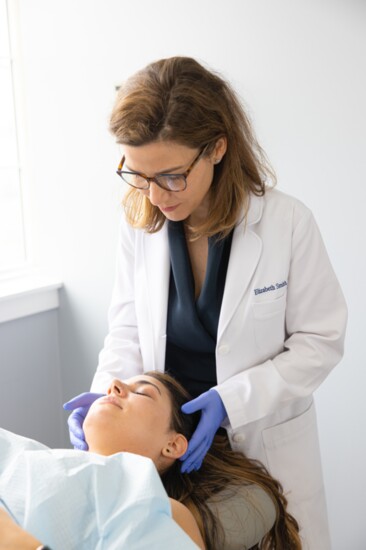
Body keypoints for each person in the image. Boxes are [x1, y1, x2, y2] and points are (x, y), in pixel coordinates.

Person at [65, 56, 347, 549]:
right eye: (138, 175)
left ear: (217, 147)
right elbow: (127, 330)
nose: (155, 196)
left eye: (172, 175)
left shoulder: (286, 224)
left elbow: (320, 342)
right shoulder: (140, 224)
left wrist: (229, 402)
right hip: (163, 454)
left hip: (255, 448)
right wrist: (105, 404)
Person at [0, 372, 301, 550]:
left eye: (142, 393)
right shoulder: (37, 456)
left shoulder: (151, 504)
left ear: (173, 444)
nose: (114, 384)